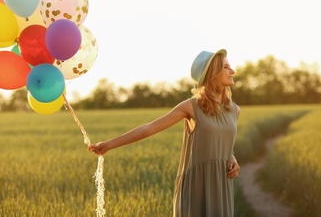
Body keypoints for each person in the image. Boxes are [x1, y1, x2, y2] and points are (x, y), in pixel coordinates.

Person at [88, 49, 241, 217]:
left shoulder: (234, 110)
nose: (232, 71)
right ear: (212, 74)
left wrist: (231, 157)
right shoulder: (191, 107)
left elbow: (220, 139)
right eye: (226, 67)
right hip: (196, 185)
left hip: (222, 183)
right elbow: (149, 128)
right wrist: (107, 145)